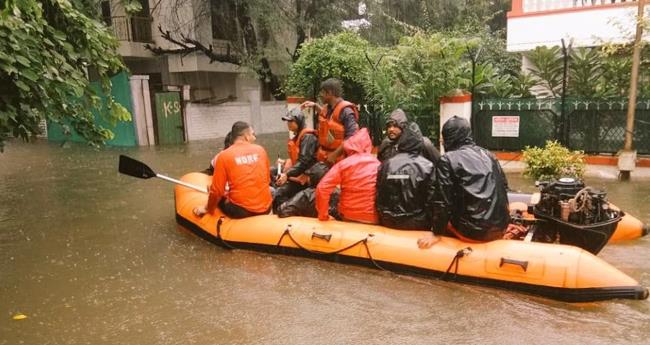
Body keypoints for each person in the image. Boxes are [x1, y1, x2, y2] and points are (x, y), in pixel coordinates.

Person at [418, 116, 510, 248]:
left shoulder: (447, 160)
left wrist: (436, 233)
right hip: (500, 227)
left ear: (450, 137)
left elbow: (442, 201)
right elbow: (504, 187)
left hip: (473, 231)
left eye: (443, 137)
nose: (441, 141)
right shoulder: (488, 154)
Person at [193, 121, 272, 219]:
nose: (254, 137)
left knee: (211, 189)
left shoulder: (224, 156)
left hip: (242, 211)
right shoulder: (261, 150)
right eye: (252, 134)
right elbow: (267, 179)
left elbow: (217, 191)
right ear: (246, 137)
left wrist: (207, 208)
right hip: (267, 208)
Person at [376, 125, 435, 230]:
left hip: (388, 220)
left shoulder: (386, 164)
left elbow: (379, 194)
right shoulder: (427, 166)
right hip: (417, 221)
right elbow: (432, 199)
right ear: (419, 143)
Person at [316, 128, 380, 224]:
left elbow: (322, 188)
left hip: (348, 216)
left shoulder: (343, 164)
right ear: (368, 145)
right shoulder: (378, 164)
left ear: (350, 146)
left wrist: (323, 216)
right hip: (373, 218)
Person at [301, 78, 359, 165]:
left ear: (330, 93)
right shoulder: (328, 108)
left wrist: (335, 155)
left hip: (339, 160)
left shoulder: (346, 112)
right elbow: (329, 121)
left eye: (323, 92)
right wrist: (315, 106)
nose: (321, 95)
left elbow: (352, 138)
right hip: (324, 156)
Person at [273, 108, 319, 213]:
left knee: (280, 193)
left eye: (291, 121)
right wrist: (284, 162)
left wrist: (287, 175)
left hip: (307, 180)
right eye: (287, 121)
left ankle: (283, 215)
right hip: (298, 175)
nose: (288, 124)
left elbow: (304, 162)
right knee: (274, 176)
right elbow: (296, 158)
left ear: (299, 121)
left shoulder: (308, 137)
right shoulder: (299, 136)